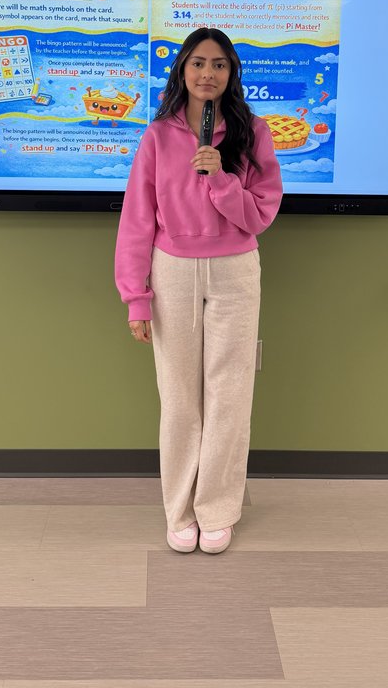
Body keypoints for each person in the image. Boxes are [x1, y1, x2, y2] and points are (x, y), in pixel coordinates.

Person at [115, 28, 282, 554]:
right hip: (174, 272)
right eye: (198, 64)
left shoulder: (252, 132)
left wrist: (221, 179)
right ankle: (179, 508)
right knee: (180, 397)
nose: (208, 74)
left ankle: (217, 509)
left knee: (229, 393)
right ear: (182, 71)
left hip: (235, 271)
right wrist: (136, 296)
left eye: (220, 65)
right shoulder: (157, 137)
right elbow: (137, 222)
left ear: (232, 73)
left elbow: (260, 215)